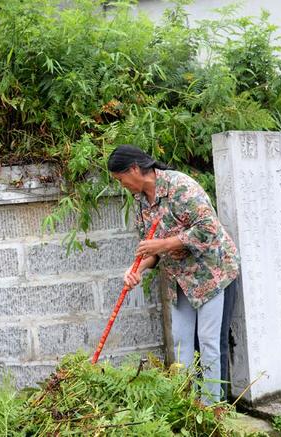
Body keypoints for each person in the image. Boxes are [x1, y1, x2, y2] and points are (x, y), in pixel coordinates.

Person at [107, 144, 240, 404]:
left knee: (210, 342)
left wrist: (164, 244)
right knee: (180, 343)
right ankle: (187, 402)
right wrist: (135, 271)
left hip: (212, 273)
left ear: (134, 169)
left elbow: (208, 230)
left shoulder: (181, 186)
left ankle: (213, 408)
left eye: (121, 179)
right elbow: (149, 249)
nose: (122, 185)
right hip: (179, 279)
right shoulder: (140, 202)